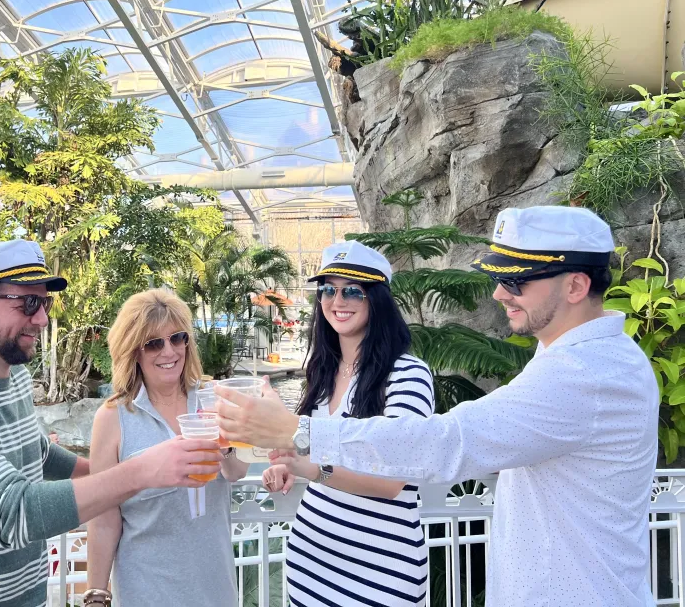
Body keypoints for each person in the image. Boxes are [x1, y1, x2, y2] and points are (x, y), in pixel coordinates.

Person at [217, 206, 660, 607]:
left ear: (576, 286)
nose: (499, 295)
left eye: (515, 282)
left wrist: (300, 435)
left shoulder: (583, 374)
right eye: (498, 280)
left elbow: (445, 444)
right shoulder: (570, 356)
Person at [0, 241, 221, 607]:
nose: (42, 318)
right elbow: (14, 513)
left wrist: (104, 472)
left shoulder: (13, 379)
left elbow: (39, 452)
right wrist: (140, 473)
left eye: (44, 303)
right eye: (27, 303)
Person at [261, 241, 434, 607]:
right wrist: (287, 468)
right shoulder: (322, 373)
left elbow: (391, 480)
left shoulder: (407, 374)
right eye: (328, 289)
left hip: (381, 571)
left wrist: (307, 467)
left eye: (353, 290)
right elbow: (311, 449)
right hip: (311, 561)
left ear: (378, 300)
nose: (337, 301)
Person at [86, 288, 247, 607]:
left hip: (217, 590)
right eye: (153, 343)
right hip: (145, 593)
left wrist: (225, 445)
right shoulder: (113, 418)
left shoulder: (211, 399)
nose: (169, 351)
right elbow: (104, 519)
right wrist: (96, 596)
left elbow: (238, 472)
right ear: (133, 350)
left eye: (177, 338)